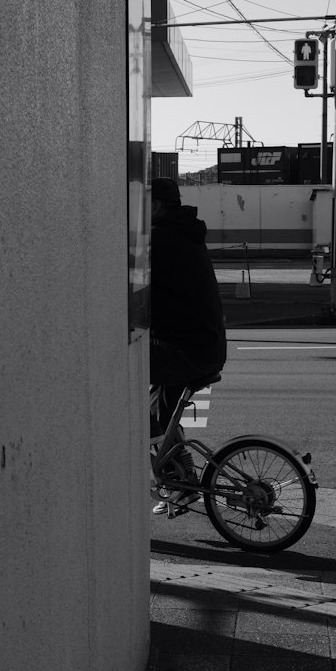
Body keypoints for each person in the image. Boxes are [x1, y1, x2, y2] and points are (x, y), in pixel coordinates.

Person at [149, 176, 227, 510]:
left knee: (143, 410)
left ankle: (182, 479)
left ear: (154, 206)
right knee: (159, 408)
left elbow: (135, 287)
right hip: (201, 345)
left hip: (186, 349)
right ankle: (181, 477)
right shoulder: (185, 233)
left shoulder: (160, 238)